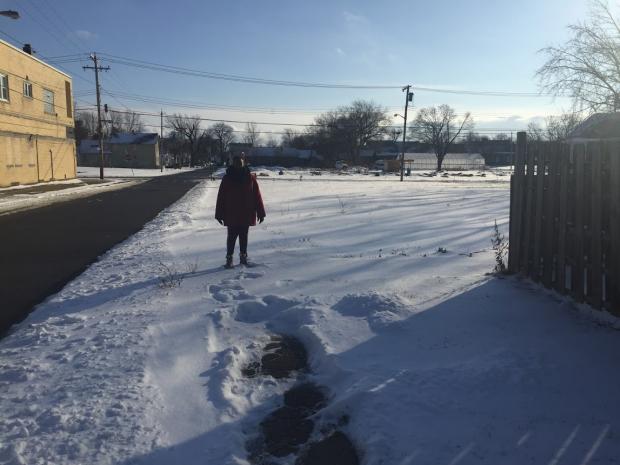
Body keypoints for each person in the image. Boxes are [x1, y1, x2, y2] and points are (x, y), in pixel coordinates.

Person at [215, 156, 266, 268]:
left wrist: (261, 212)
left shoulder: (250, 178)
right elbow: (221, 197)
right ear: (233, 164)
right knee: (231, 237)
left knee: (243, 236)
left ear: (244, 163)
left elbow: (257, 196)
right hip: (232, 213)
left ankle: (243, 257)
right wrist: (219, 214)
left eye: (240, 162)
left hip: (245, 213)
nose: (238, 164)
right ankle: (229, 259)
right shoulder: (227, 178)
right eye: (236, 162)